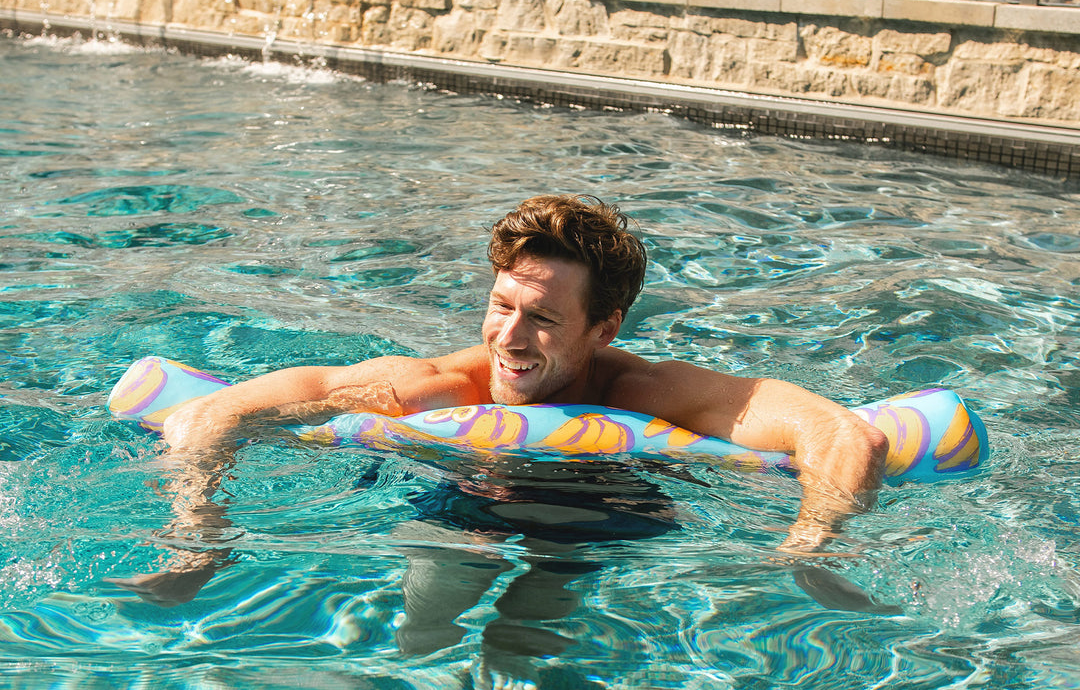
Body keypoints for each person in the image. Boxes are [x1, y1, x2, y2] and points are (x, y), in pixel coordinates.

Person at [161, 193, 888, 551]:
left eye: (541, 319)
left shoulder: (644, 393)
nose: (508, 337)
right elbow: (209, 415)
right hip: (458, 486)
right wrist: (199, 526)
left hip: (615, 503)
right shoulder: (433, 388)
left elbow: (838, 435)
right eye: (500, 305)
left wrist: (804, 550)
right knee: (440, 580)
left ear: (604, 329)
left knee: (542, 614)